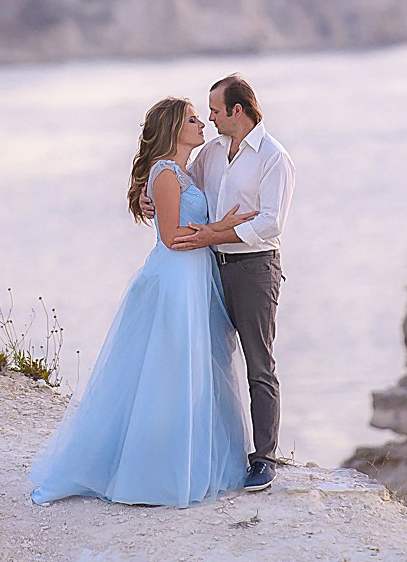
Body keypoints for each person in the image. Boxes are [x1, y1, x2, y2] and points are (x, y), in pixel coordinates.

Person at [28, 98, 254, 507]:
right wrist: (224, 227)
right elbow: (172, 238)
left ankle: (189, 462)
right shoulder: (166, 173)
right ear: (173, 129)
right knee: (165, 375)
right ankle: (153, 472)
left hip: (194, 278)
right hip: (174, 280)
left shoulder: (185, 170)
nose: (201, 122)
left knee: (191, 371)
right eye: (192, 119)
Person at [168, 74, 295, 492]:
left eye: (215, 111)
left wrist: (213, 234)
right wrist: (153, 194)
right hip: (209, 267)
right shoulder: (212, 152)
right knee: (209, 360)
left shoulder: (274, 157)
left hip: (254, 268)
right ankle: (214, 449)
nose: (209, 118)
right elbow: (186, 184)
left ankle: (264, 459)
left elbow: (270, 222)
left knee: (259, 365)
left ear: (237, 111)